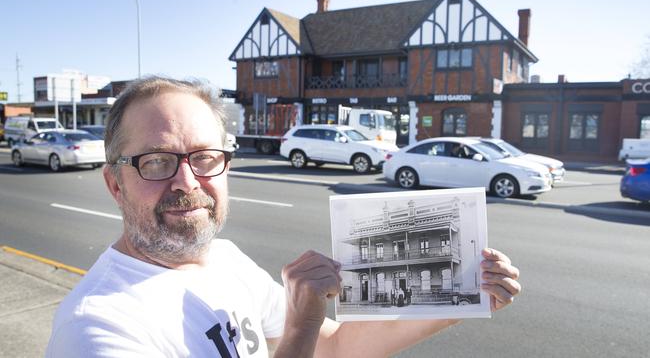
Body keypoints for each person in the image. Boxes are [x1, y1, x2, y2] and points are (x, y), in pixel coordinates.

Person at [46, 76, 521, 357]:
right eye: (156, 161)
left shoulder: (223, 260)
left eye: (205, 157)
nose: (187, 183)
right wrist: (300, 328)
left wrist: (458, 298)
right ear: (115, 183)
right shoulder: (99, 329)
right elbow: (309, 339)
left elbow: (332, 348)